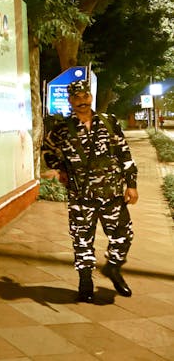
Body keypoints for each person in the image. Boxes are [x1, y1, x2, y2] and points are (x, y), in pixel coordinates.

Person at [42, 79, 138, 303]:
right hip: (81, 196)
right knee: (82, 240)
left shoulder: (109, 122)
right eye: (76, 97)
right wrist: (61, 169)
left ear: (91, 97)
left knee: (123, 236)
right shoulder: (62, 130)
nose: (81, 101)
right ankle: (85, 282)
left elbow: (124, 153)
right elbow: (48, 150)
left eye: (84, 96)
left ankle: (113, 268)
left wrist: (131, 184)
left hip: (112, 193)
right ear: (70, 100)